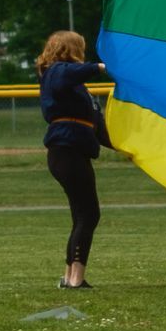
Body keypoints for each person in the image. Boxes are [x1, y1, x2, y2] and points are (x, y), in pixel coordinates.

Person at [37, 29, 110, 291]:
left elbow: (99, 128)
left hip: (74, 152)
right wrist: (101, 66)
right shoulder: (55, 71)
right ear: (69, 49)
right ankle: (76, 279)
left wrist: (129, 148)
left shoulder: (77, 87)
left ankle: (69, 277)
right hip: (66, 151)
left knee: (82, 215)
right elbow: (68, 75)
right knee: (89, 214)